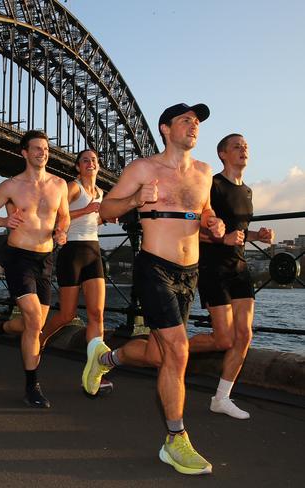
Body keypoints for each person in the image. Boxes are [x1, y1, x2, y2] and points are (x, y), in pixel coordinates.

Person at [92, 103, 225, 475]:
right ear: (166, 129)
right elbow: (106, 210)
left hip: (190, 272)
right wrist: (136, 200)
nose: (194, 125)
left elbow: (206, 211)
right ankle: (175, 439)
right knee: (178, 352)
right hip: (155, 269)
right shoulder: (143, 168)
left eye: (197, 121)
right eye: (186, 120)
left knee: (156, 353)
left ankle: (105, 359)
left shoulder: (203, 172)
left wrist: (214, 224)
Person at [0, 130, 70, 408]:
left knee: (36, 325)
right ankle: (32, 387)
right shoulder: (11, 186)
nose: (43, 152)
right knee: (32, 318)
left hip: (45, 259)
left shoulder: (59, 185)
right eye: (37, 148)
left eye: (46, 148)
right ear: (25, 153)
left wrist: (61, 232)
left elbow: (63, 216)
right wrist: (4, 223)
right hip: (18, 257)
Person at [189, 134, 274, 419]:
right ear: (222, 154)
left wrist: (257, 236)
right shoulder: (211, 186)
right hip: (213, 269)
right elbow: (191, 229)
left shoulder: (247, 191)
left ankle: (221, 398)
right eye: (237, 146)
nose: (243, 150)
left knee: (244, 335)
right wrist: (221, 240)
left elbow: (238, 232)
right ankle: (172, 349)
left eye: (246, 146)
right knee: (223, 339)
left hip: (239, 268)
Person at [37, 148, 113, 395]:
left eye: (93, 160)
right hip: (72, 252)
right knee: (67, 315)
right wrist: (87, 210)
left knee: (97, 314)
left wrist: (102, 217)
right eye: (85, 160)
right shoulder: (73, 187)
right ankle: (39, 339)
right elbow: (58, 213)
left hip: (93, 251)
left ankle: (96, 371)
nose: (90, 163)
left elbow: (93, 218)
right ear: (78, 167)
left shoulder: (101, 193)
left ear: (98, 166)